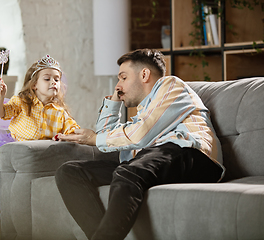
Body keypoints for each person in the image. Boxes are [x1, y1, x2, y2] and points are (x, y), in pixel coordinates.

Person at [55, 49, 225, 240]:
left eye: (123, 77)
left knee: (127, 171)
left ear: (144, 74)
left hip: (191, 154)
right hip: (150, 160)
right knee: (69, 172)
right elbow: (106, 137)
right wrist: (114, 101)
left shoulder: (171, 86)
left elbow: (140, 134)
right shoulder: (143, 113)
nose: (118, 85)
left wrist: (94, 139)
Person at [0, 54, 80, 237]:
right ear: (34, 84)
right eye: (47, 78)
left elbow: (74, 130)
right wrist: (0, 96)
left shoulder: (60, 113)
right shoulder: (21, 102)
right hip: (13, 146)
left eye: (57, 79)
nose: (53, 82)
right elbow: (0, 113)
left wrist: (65, 136)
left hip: (39, 155)